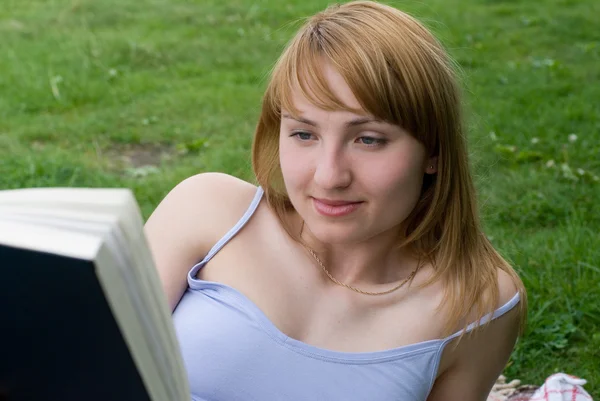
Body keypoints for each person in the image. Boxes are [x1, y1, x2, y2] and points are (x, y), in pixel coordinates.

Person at [144, 1, 527, 400]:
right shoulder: (210, 212)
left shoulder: (477, 300)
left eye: (368, 139)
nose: (328, 176)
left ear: (434, 151)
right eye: (304, 134)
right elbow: (93, 361)